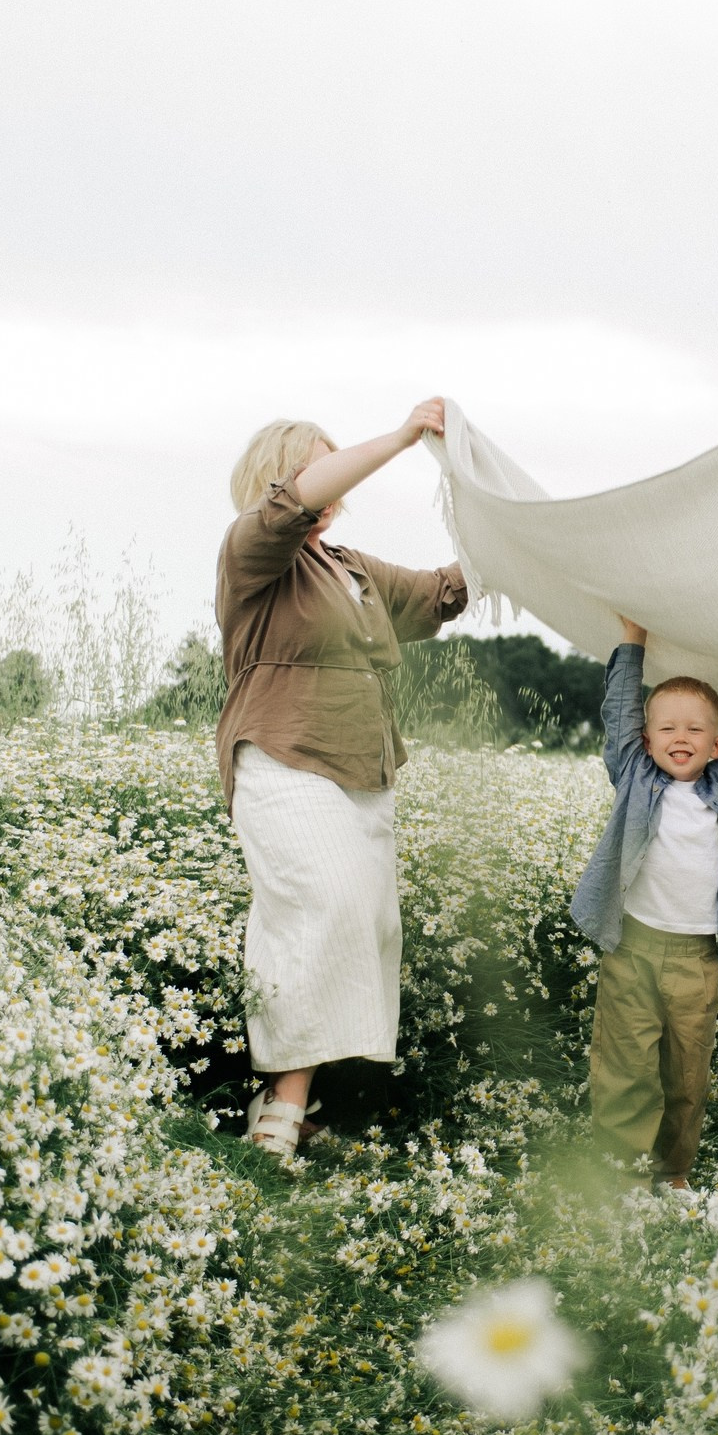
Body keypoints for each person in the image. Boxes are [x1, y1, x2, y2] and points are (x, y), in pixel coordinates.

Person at [215, 400, 468, 1162]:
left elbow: (437, 594)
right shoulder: (253, 552)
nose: (331, 491)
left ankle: (306, 1098)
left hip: (364, 767)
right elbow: (294, 502)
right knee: (322, 908)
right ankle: (281, 1108)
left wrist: (511, 535)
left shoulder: (349, 567)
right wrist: (399, 437)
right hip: (284, 755)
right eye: (314, 472)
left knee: (365, 925)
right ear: (279, 482)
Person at [571, 618, 718, 1187]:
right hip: (633, 947)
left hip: (699, 956)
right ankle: (623, 1171)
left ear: (717, 745)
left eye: (696, 730)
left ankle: (672, 1170)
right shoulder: (633, 775)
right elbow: (619, 711)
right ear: (646, 741)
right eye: (667, 727)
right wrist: (632, 642)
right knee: (625, 1065)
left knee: (686, 1073)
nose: (681, 737)